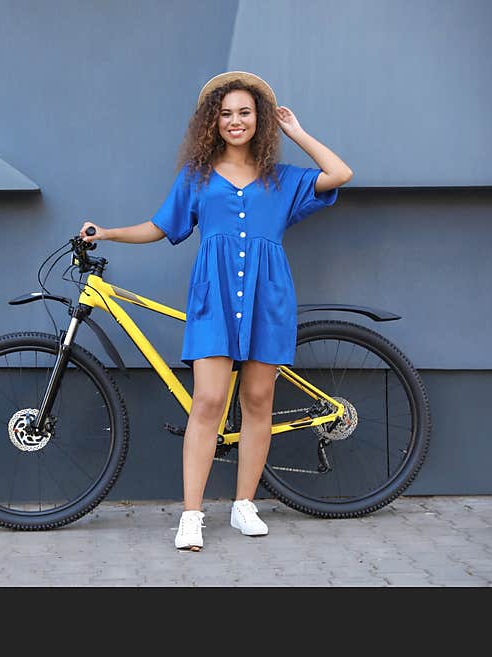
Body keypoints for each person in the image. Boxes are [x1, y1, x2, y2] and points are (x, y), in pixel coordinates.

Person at [78, 71, 353, 551]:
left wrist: (298, 133)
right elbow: (159, 227)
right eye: (226, 114)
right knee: (207, 402)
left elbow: (340, 174)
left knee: (258, 402)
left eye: (245, 112)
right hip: (213, 297)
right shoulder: (198, 177)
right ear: (213, 122)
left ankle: (245, 505)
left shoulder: (282, 179)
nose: (235, 121)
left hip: (268, 298)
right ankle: (191, 515)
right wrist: (107, 232)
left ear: (259, 119)